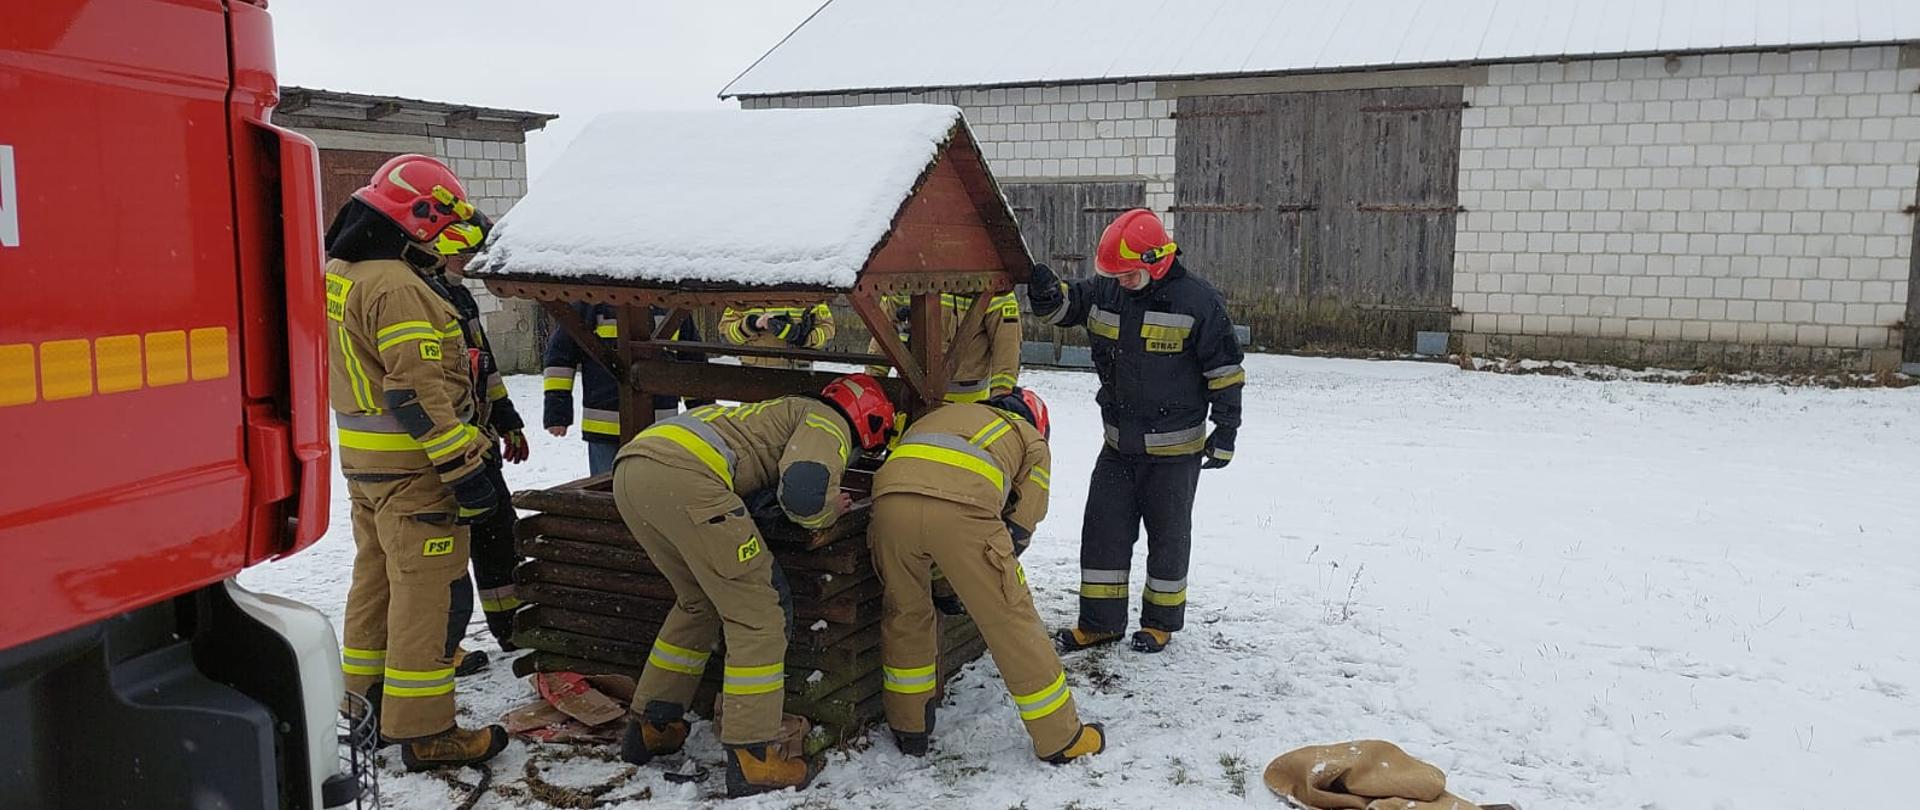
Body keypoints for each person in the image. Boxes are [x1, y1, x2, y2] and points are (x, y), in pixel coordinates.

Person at [611, 374, 896, 797]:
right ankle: (753, 756)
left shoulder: (774, 413)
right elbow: (803, 493)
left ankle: (654, 723)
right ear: (867, 421)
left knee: (698, 603)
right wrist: (828, 511)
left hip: (633, 472)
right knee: (760, 614)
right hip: (689, 481)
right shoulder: (826, 421)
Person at [324, 154, 508, 770]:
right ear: (417, 219)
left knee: (374, 581)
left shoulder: (344, 269)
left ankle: (363, 707)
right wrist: (465, 472)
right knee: (424, 596)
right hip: (416, 472)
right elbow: (416, 394)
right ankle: (427, 731)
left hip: (366, 466)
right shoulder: (400, 288)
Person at [1024, 208, 1245, 655]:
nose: (1120, 282)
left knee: (1168, 537)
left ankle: (1160, 622)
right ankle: (1100, 624)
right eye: (1116, 275)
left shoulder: (1198, 303)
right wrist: (1049, 295)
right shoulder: (1110, 290)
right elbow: (1071, 305)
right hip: (1118, 445)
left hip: (1175, 451)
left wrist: (1225, 432)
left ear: (1157, 261)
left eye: (1129, 275)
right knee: (1103, 531)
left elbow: (1225, 372)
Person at [869, 389, 1106, 764]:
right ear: (1038, 423)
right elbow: (1020, 525)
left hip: (888, 505)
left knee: (905, 611)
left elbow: (925, 495)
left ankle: (909, 725)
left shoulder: (944, 415)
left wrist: (947, 581)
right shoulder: (1032, 442)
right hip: (965, 509)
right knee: (1011, 619)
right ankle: (1061, 737)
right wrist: (991, 573)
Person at [427, 221, 530, 666]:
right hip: (443, 448)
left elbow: (482, 367)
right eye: (463, 256)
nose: (469, 265)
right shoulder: (420, 297)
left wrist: (507, 421)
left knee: (498, 535)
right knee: (444, 554)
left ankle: (509, 629)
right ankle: (440, 646)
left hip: (478, 440)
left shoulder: (460, 297)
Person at [542, 303, 708, 475]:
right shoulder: (590, 305)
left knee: (653, 492)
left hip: (660, 427)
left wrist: (703, 412)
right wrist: (557, 411)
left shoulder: (672, 307)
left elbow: (692, 364)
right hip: (606, 428)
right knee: (608, 491)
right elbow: (560, 358)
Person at [865, 291, 1021, 402]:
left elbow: (1006, 352)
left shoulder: (993, 283)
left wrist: (1000, 400)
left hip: (967, 405)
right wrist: (871, 387)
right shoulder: (906, 270)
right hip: (910, 398)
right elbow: (883, 333)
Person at [718, 303, 836, 369]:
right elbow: (725, 336)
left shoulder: (807, 292)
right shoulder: (743, 297)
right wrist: (751, 324)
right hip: (755, 375)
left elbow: (828, 335)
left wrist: (803, 338)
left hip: (798, 374)